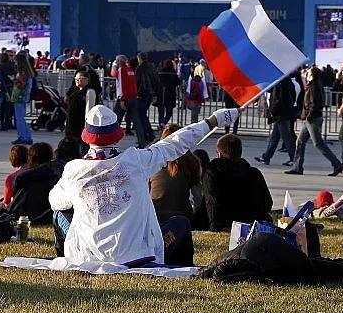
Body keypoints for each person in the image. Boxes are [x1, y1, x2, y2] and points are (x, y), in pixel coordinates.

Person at [50, 105, 237, 265]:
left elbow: (57, 203)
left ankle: (65, 258)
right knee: (180, 223)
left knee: (59, 214)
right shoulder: (136, 160)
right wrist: (213, 120)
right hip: (135, 256)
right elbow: (177, 142)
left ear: (87, 137)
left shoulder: (73, 170)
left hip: (87, 258)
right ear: (117, 135)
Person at [203, 133, 273, 232]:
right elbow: (267, 203)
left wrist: (215, 227)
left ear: (220, 154)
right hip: (251, 223)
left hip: (226, 224)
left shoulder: (212, 173)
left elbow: (212, 202)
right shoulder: (254, 173)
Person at [286, 67, 343, 176]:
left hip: (312, 119)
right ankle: (297, 167)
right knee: (300, 141)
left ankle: (336, 164)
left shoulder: (313, 86)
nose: (307, 73)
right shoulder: (315, 84)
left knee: (318, 143)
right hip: (310, 118)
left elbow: (314, 104)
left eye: (309, 72)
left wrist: (308, 116)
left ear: (312, 74)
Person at [149, 147, 201, 225]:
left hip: (156, 214)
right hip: (182, 215)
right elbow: (198, 196)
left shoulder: (153, 162)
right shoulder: (191, 162)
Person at [8, 142, 58, 223]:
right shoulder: (55, 175)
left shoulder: (22, 176)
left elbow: (15, 195)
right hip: (46, 215)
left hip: (22, 214)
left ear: (31, 158)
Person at [254, 76, 296, 167]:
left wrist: (273, 111)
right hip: (283, 113)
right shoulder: (287, 83)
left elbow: (278, 100)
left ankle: (294, 159)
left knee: (287, 138)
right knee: (275, 137)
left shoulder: (281, 84)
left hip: (281, 114)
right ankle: (266, 157)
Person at [111, 54, 143, 147]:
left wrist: (122, 99)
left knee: (115, 120)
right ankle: (142, 140)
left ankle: (112, 141)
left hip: (124, 98)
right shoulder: (131, 70)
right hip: (133, 97)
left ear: (119, 62)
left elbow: (121, 84)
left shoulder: (122, 70)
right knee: (136, 121)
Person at [64, 70, 97, 151]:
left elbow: (89, 109)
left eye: (80, 78)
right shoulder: (75, 92)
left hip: (81, 126)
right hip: (72, 126)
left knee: (82, 149)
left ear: (87, 80)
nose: (77, 80)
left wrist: (87, 126)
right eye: (76, 78)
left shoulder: (89, 91)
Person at [134, 52, 159, 145]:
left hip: (142, 94)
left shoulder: (139, 68)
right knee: (143, 114)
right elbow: (156, 80)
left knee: (141, 115)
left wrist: (136, 93)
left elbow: (137, 82)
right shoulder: (151, 67)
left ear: (139, 58)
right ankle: (148, 133)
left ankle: (148, 133)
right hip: (150, 94)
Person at [11, 51, 35, 145]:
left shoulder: (23, 72)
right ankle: (27, 136)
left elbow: (21, 85)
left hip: (19, 96)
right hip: (24, 96)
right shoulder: (28, 71)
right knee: (22, 118)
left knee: (19, 118)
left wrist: (15, 81)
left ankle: (22, 136)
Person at [155, 60, 181, 130]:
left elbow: (156, 81)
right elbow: (177, 82)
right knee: (169, 112)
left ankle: (161, 124)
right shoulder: (173, 73)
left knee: (161, 111)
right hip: (170, 94)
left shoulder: (160, 72)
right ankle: (163, 123)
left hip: (161, 93)